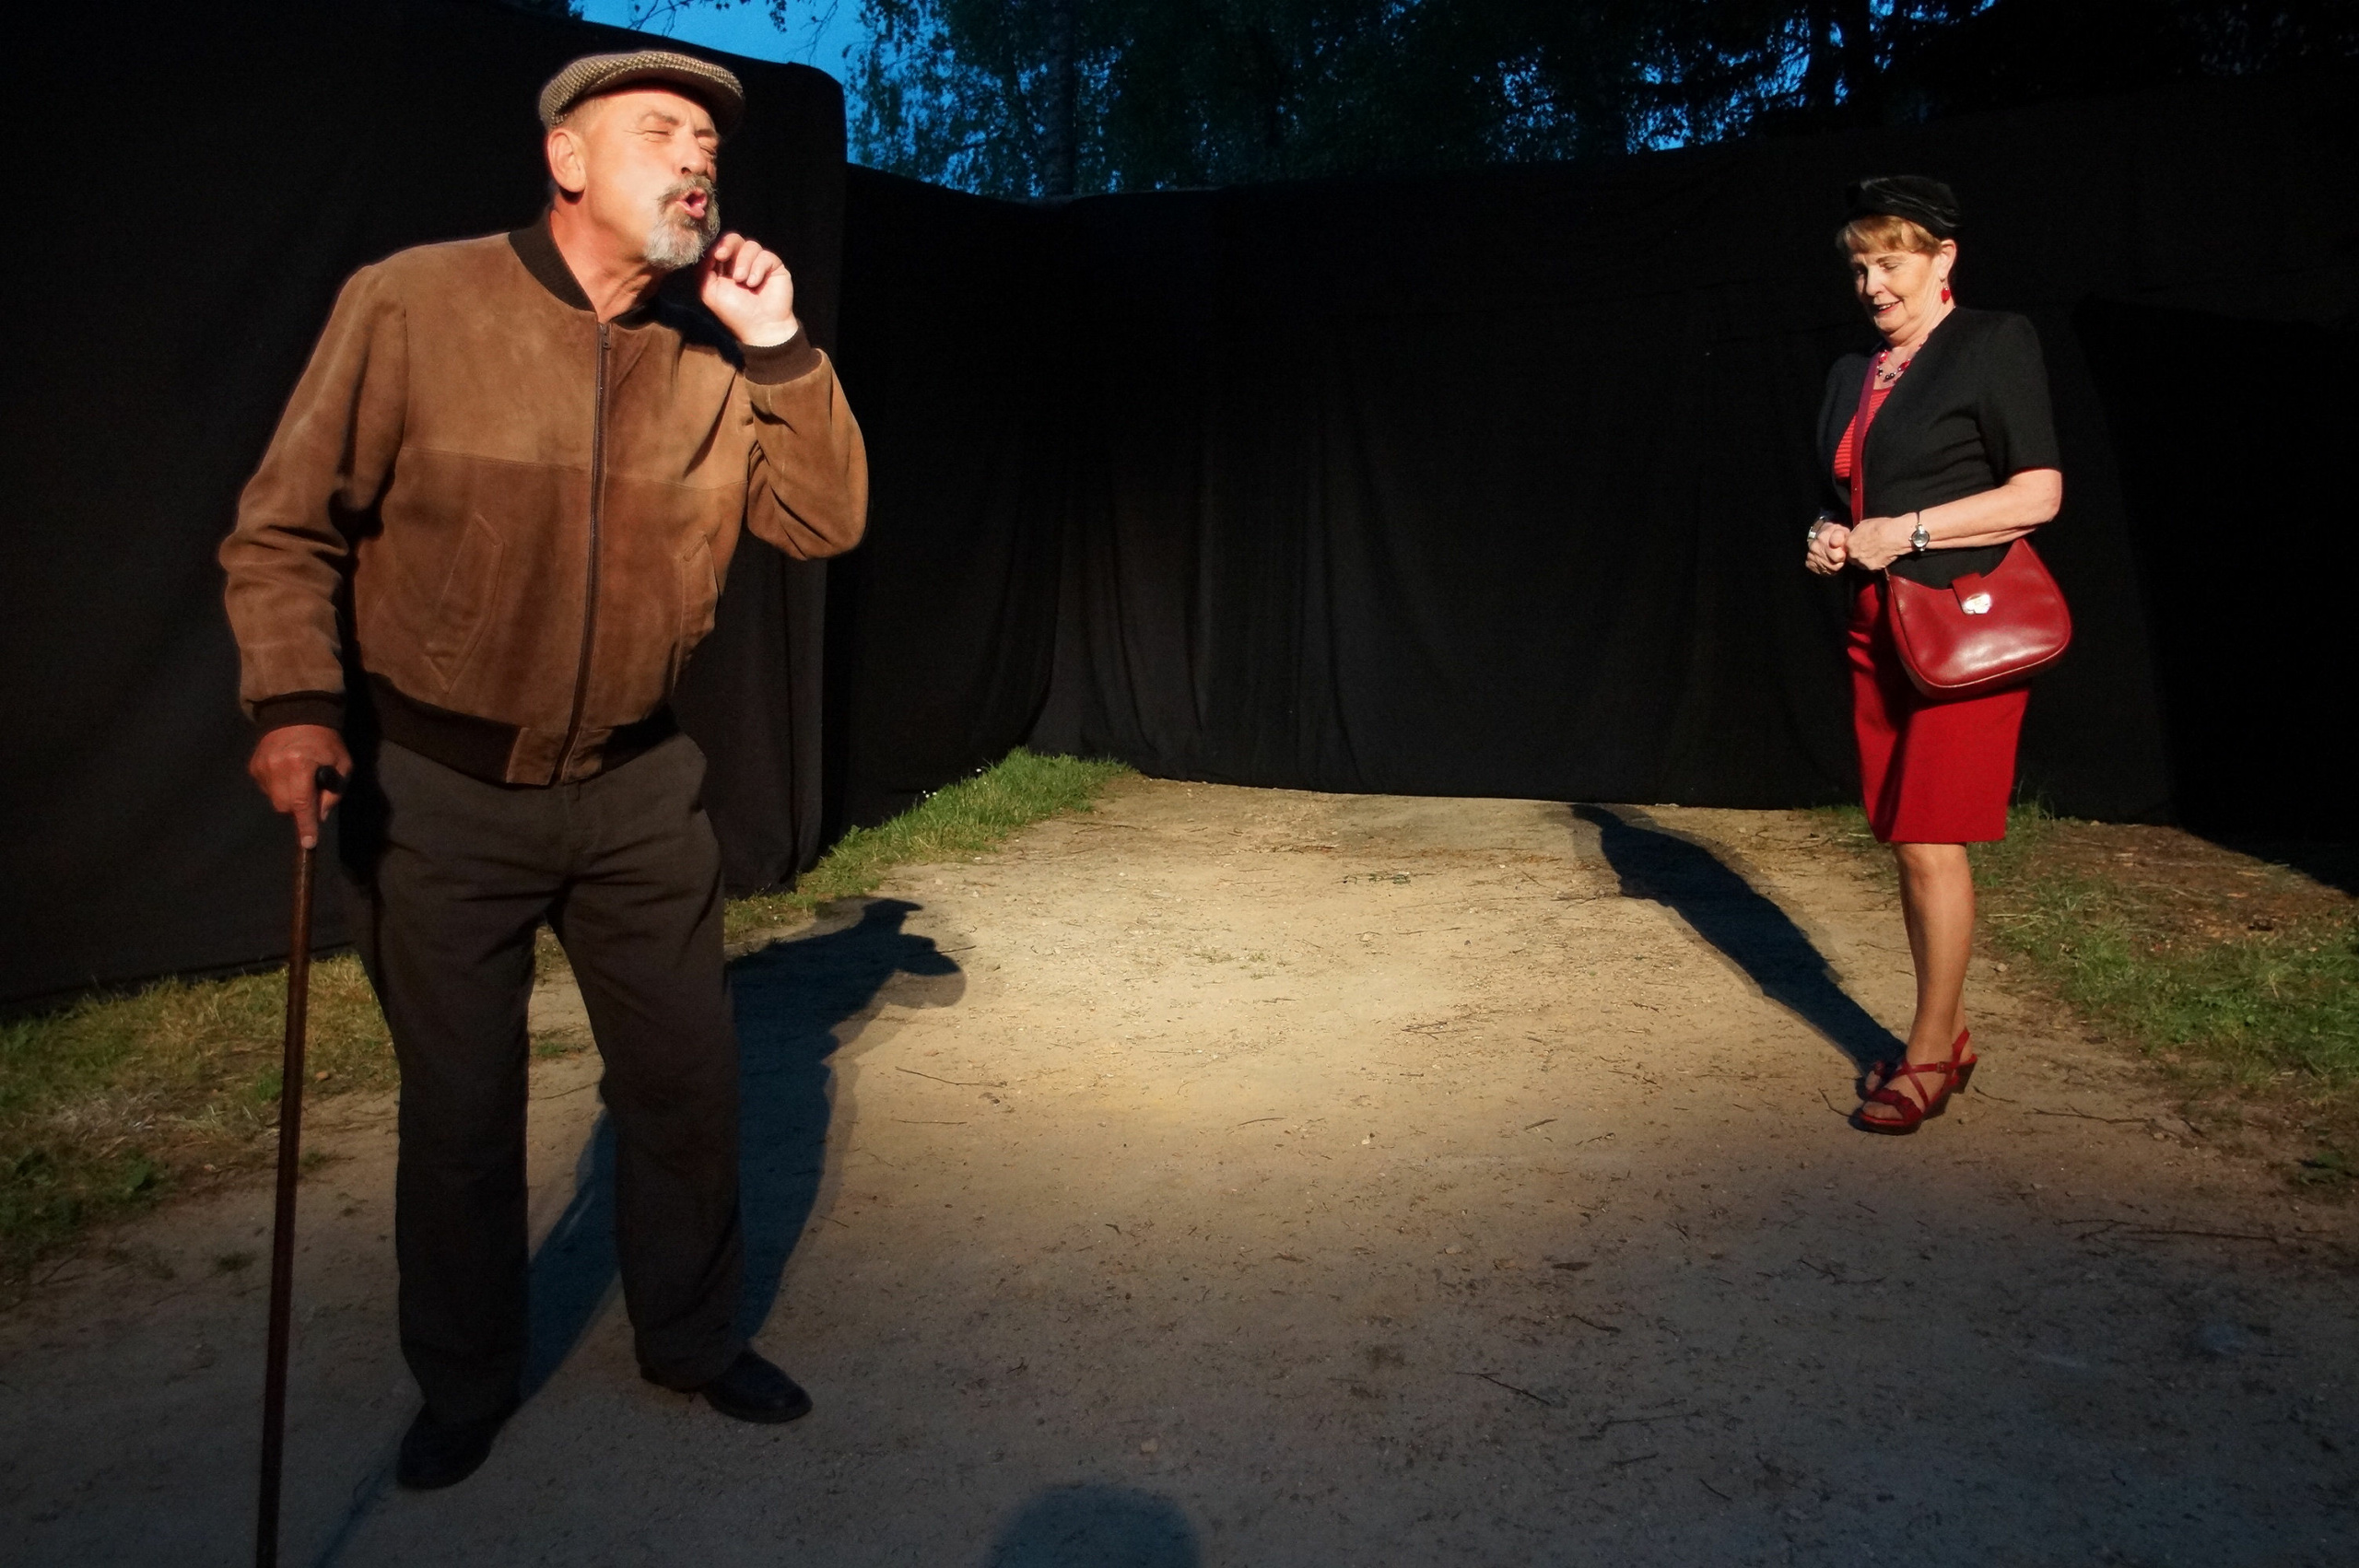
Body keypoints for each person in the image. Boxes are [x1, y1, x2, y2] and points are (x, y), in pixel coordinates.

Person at [219, 51, 868, 1487]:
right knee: (461, 1113)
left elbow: (824, 522)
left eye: (710, 145)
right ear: (568, 159)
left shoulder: (708, 362)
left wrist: (779, 347)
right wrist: (296, 701)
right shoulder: (416, 303)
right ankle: (464, 1377)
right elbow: (284, 527)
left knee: (688, 1086)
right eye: (662, 131)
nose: (697, 160)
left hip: (639, 791)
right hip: (439, 791)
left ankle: (691, 1338)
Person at [1802, 176, 2063, 1135]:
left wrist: (1904, 532)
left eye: (1891, 262)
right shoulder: (1853, 373)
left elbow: (2037, 493)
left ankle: (1928, 1056)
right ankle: (1946, 1034)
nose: (1872, 284)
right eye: (1858, 267)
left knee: (1928, 837)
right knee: (1905, 836)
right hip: (1877, 627)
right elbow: (1844, 495)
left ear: (1943, 258)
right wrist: (1830, 533)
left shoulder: (1992, 343)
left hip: (1962, 625)